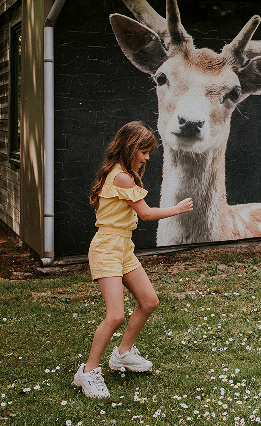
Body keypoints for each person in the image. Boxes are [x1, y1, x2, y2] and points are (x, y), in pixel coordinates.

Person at [73, 122, 193, 398]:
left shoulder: (123, 175)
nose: (147, 157)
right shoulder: (122, 178)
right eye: (144, 151)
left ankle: (123, 354)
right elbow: (147, 214)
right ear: (130, 148)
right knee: (115, 315)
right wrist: (178, 208)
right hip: (107, 248)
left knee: (149, 301)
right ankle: (88, 372)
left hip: (123, 246)